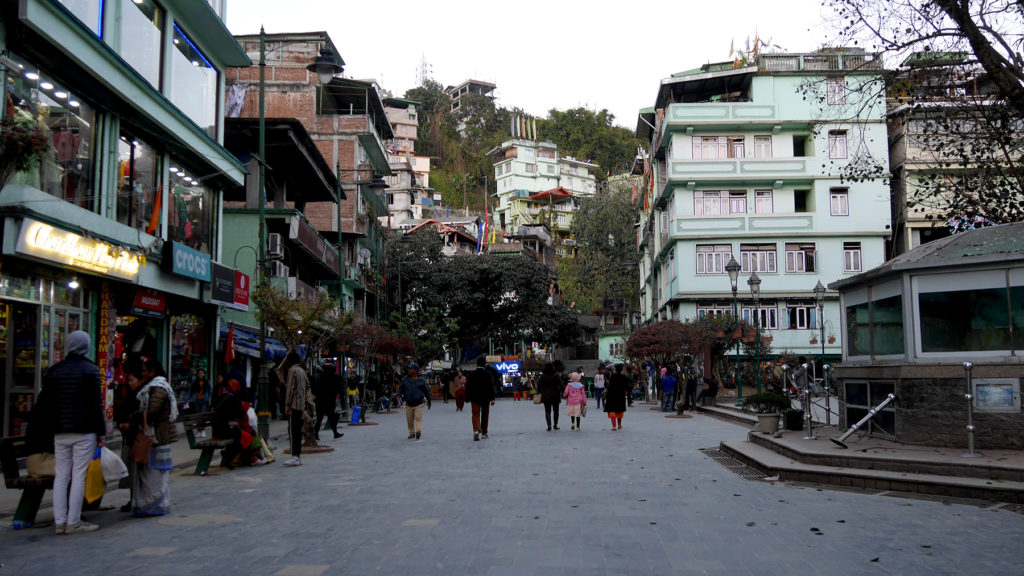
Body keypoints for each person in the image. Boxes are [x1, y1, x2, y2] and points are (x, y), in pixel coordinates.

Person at [43, 330, 105, 534]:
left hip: (60, 430)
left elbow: (48, 403)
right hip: (84, 430)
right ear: (86, 346)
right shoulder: (90, 370)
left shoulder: (54, 371)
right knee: (78, 475)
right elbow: (96, 404)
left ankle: (59, 521)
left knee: (61, 475)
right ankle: (74, 521)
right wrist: (101, 432)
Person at [131, 358, 177, 517]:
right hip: (156, 434)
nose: (143, 373)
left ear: (153, 371)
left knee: (154, 473)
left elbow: (153, 410)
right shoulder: (156, 386)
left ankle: (154, 505)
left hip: (155, 435)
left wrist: (134, 416)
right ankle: (150, 505)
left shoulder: (158, 387)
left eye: (145, 370)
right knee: (152, 472)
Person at [113, 362, 143, 511]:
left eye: (132, 380)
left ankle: (137, 499)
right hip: (129, 439)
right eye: (128, 380)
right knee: (131, 469)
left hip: (137, 439)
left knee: (137, 470)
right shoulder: (130, 394)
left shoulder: (142, 396)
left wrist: (130, 426)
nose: (129, 383)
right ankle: (133, 499)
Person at [283, 352, 310, 467]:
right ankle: (297, 455)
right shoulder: (302, 371)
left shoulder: (292, 371)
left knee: (293, 431)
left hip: (294, 404)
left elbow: (290, 388)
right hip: (301, 404)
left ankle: (295, 456)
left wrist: (287, 404)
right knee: (298, 430)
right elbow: (308, 385)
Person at [466, 357, 496, 440]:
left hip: (474, 397)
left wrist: (467, 397)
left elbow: (468, 387)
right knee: (485, 415)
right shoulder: (488, 374)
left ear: (477, 364)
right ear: (484, 364)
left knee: (475, 414)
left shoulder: (471, 374)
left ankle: (476, 430)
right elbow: (491, 386)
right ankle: (484, 433)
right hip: (485, 397)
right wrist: (492, 398)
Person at [399, 363, 431, 440]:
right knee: (409, 420)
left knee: (418, 418)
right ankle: (412, 433)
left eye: (411, 369)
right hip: (409, 404)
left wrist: (429, 401)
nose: (409, 370)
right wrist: (398, 395)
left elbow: (426, 391)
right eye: (409, 369)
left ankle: (418, 432)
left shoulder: (421, 381)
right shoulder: (405, 380)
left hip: (419, 403)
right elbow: (401, 390)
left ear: (415, 370)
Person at [313, 365, 343, 440]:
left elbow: (316, 390)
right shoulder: (333, 379)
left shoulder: (321, 378)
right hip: (329, 402)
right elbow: (338, 388)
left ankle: (316, 434)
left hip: (320, 402)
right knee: (331, 418)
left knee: (320, 419)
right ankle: (335, 433)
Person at [605, 363, 630, 430]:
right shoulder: (623, 377)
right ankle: (619, 425)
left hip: (612, 396)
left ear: (615, 369)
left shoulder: (613, 376)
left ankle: (614, 427)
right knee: (619, 410)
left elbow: (609, 386)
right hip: (620, 396)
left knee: (612, 411)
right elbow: (627, 386)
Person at [538, 363, 562, 431]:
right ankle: (555, 425)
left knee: (547, 411)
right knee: (556, 411)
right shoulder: (556, 375)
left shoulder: (542, 376)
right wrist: (564, 391)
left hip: (546, 395)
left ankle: (549, 425)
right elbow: (561, 384)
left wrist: (539, 392)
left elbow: (539, 384)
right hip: (555, 394)